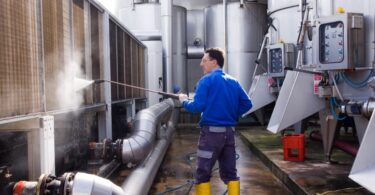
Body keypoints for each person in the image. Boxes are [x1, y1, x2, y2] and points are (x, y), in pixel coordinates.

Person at [178, 48, 252, 195]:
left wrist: (184, 101)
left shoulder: (206, 81)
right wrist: (231, 114)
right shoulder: (233, 81)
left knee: (203, 173)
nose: (201, 64)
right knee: (231, 173)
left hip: (211, 135)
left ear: (214, 62)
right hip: (229, 133)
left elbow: (197, 106)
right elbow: (247, 104)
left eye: (204, 60)